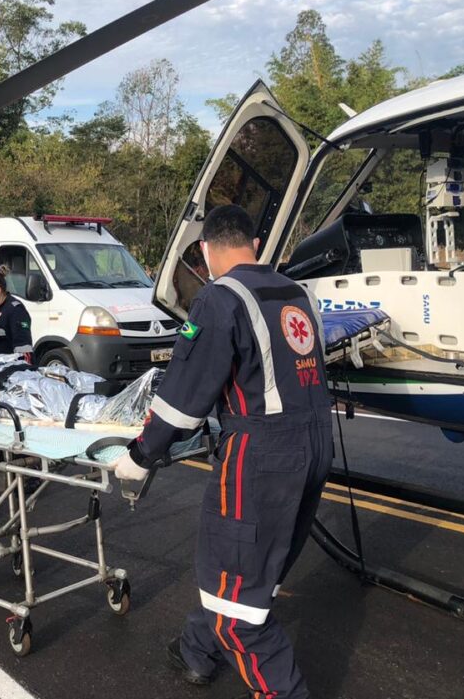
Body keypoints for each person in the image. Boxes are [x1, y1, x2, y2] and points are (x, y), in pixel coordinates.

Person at [114, 205, 332, 699]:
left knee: (239, 613)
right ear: (254, 244)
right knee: (254, 573)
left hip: (263, 454)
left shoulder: (220, 297)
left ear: (206, 250)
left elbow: (183, 399)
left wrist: (141, 455)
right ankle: (197, 648)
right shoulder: (296, 292)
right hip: (316, 443)